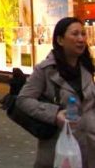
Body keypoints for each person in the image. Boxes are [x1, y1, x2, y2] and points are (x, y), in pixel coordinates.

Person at [16, 17, 95, 168]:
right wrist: (54, 114)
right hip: (60, 150)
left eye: (83, 34)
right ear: (60, 40)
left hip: (90, 148)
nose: (81, 39)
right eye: (75, 34)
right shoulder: (46, 70)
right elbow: (23, 99)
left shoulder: (86, 68)